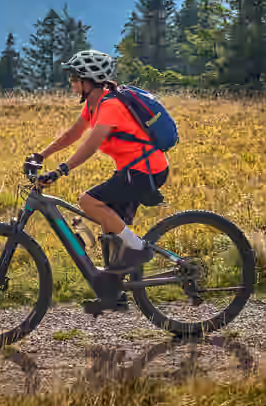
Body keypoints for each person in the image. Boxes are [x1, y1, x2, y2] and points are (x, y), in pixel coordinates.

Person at [24, 49, 168, 273]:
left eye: (74, 79)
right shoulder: (94, 105)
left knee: (88, 201)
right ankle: (114, 291)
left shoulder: (110, 106)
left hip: (145, 171)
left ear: (88, 81)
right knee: (111, 230)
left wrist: (61, 170)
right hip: (132, 170)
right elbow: (71, 135)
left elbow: (90, 145)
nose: (71, 84)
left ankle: (139, 248)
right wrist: (41, 155)